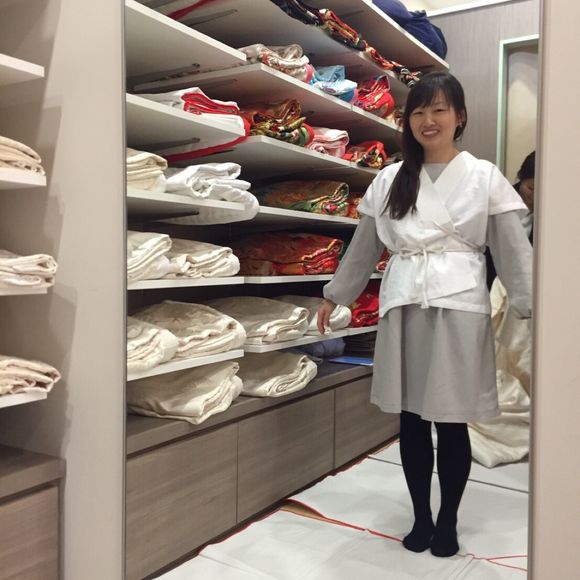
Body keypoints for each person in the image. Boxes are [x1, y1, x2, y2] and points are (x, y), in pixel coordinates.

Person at [317, 71, 533, 558]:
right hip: (404, 304)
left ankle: (448, 520)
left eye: (439, 109)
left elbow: (513, 252)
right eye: (418, 111)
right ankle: (421, 517)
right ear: (407, 119)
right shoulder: (390, 178)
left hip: (459, 305)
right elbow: (364, 247)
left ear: (460, 117)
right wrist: (337, 295)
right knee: (411, 419)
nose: (428, 120)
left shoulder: (484, 176)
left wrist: (531, 305)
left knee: (452, 421)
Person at [486, 151, 535, 288]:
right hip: (491, 277)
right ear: (520, 179)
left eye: (541, 191)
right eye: (531, 188)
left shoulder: (549, 215)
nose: (535, 196)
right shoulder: (502, 202)